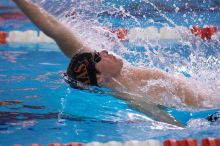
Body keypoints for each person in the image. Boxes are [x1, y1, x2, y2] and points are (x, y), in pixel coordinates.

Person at [13, 0, 217, 127]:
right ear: (101, 78)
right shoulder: (133, 94)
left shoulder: (118, 71)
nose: (103, 51)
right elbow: (168, 122)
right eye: (97, 57)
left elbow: (53, 27)